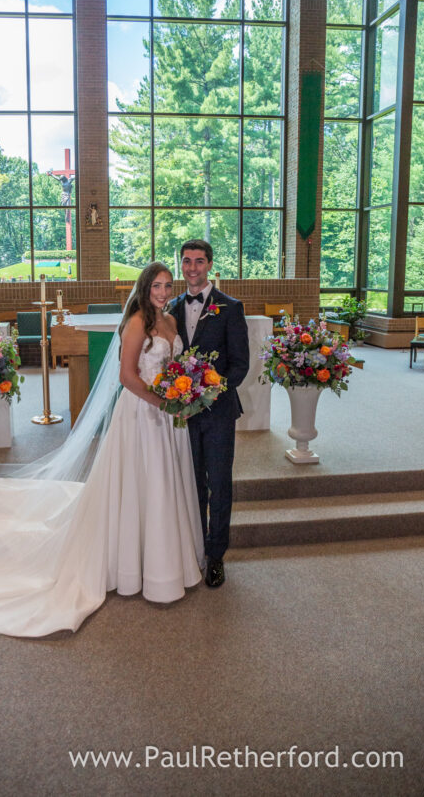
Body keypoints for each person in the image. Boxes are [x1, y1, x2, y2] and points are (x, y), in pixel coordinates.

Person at [0, 263, 204, 637]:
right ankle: (135, 567)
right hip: (142, 413)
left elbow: (174, 364)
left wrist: (182, 390)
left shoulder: (170, 321)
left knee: (165, 484)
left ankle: (166, 561)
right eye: (157, 286)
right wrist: (160, 401)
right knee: (142, 481)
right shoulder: (137, 322)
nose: (163, 292)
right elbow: (127, 376)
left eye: (168, 286)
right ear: (145, 287)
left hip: (168, 414)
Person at [169, 240, 250, 589]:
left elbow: (240, 364)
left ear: (210, 265)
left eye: (199, 262)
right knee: (191, 483)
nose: (192, 268)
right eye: (186, 262)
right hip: (184, 415)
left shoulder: (229, 308)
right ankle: (194, 547)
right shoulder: (170, 307)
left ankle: (216, 555)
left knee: (218, 483)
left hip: (217, 412)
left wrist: (209, 390)